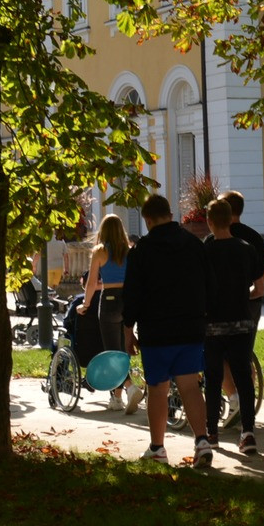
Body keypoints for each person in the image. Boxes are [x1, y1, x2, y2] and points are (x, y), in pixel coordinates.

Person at [119, 194, 216, 469]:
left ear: (148, 219)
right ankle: (201, 441)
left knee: (158, 389)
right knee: (190, 385)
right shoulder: (193, 245)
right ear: (170, 214)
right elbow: (210, 284)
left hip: (156, 330)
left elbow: (132, 294)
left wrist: (129, 330)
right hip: (190, 327)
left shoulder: (142, 251)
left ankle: (158, 447)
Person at [201, 198, 264, 455]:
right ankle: (248, 433)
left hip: (212, 324)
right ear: (231, 219)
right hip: (241, 321)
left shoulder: (205, 251)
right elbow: (259, 288)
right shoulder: (246, 248)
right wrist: (242, 295)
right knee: (243, 378)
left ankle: (212, 434)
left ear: (209, 221)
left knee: (214, 378)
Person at [216, 190, 264, 421]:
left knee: (220, 354)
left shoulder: (216, 239)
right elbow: (261, 283)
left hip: (224, 305)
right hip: (252, 303)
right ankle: (247, 401)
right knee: (245, 352)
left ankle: (234, 397)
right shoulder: (254, 238)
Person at [83, 213, 143, 413]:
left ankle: (130, 387)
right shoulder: (130, 250)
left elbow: (92, 283)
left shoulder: (99, 251)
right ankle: (117, 398)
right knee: (122, 349)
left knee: (111, 351)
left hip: (108, 299)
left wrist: (85, 303)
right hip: (128, 299)